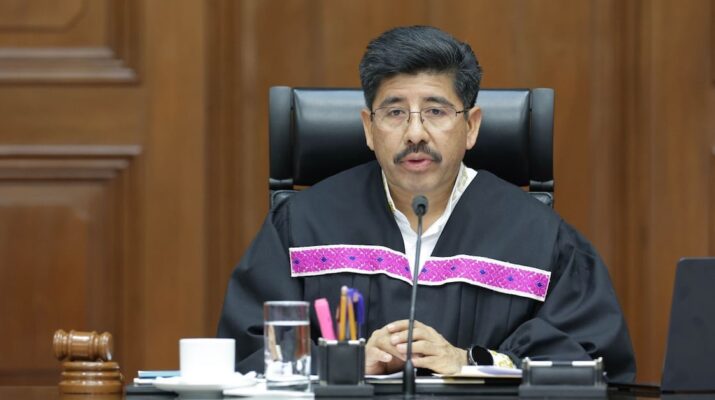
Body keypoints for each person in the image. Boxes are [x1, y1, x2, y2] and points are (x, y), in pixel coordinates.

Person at [217, 25, 636, 382]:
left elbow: (595, 366)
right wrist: (342, 364)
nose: (415, 133)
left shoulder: (539, 237)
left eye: (436, 111)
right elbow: (244, 359)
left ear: (471, 126)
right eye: (395, 112)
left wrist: (469, 362)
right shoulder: (302, 227)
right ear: (369, 128)